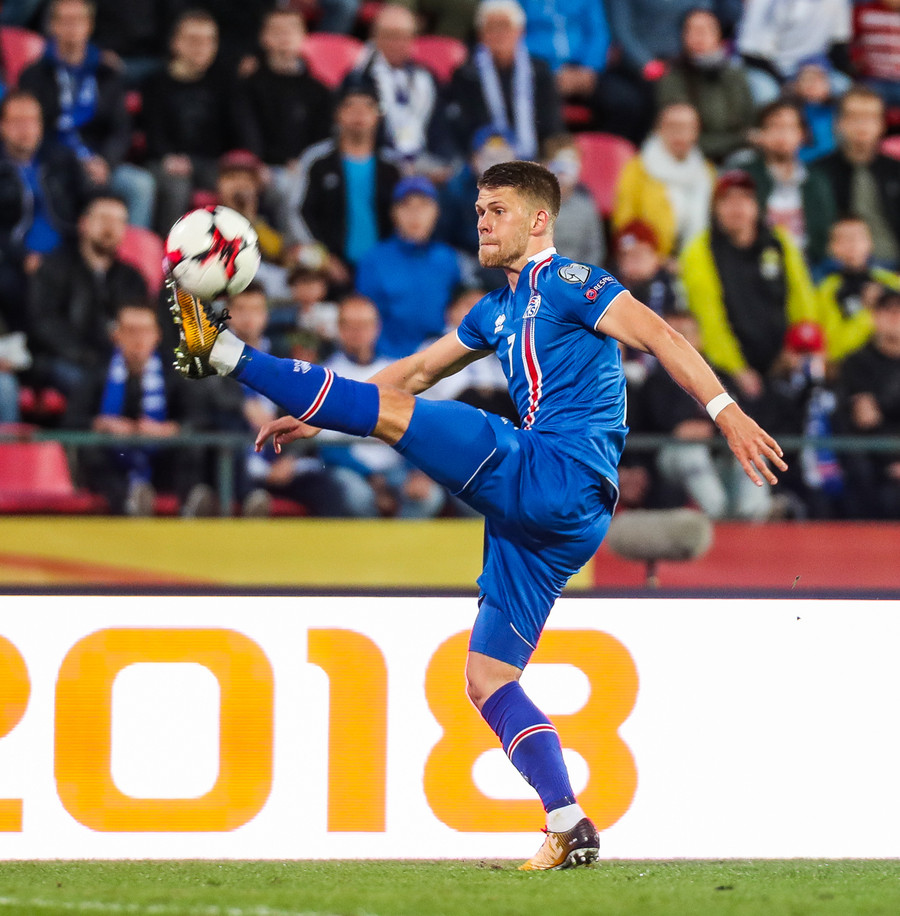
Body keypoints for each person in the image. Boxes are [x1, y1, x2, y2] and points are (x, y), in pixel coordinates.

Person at [168, 159, 785, 869]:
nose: (483, 223)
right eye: (480, 211)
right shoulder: (494, 310)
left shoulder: (573, 282)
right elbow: (414, 373)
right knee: (488, 678)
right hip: (555, 522)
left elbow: (662, 337)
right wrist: (321, 415)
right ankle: (568, 822)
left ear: (539, 219)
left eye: (498, 210)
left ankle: (222, 350)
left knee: (404, 421)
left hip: (554, 472)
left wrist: (727, 413)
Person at [679, 169, 819, 428]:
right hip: (730, 368)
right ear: (715, 208)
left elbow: (803, 299)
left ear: (757, 205)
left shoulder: (779, 242)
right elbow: (709, 319)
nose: (737, 208)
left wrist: (796, 348)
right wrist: (738, 370)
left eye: (744, 198)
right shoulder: (700, 251)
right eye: (727, 200)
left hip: (785, 359)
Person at [63, 301, 209, 516]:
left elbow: (198, 419)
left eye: (146, 331)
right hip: (113, 458)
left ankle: (190, 504)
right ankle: (128, 501)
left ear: (157, 335)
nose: (139, 339)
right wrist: (103, 424)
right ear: (116, 335)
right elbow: (72, 420)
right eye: (131, 331)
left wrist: (166, 430)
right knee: (92, 450)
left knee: (188, 448)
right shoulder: (96, 371)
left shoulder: (174, 373)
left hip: (159, 458)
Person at [18, 0, 155, 227]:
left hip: (101, 162)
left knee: (140, 184)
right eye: (65, 20)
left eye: (78, 20)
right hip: (54, 163)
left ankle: (130, 247)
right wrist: (73, 164)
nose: (72, 27)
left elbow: (121, 129)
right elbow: (35, 130)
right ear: (53, 26)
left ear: (89, 25)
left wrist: (106, 162)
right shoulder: (34, 76)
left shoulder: (107, 73)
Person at [27, 191, 147, 395]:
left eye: (118, 221)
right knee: (89, 383)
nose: (110, 228)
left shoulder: (132, 278)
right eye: (104, 218)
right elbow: (44, 324)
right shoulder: (54, 268)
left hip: (115, 362)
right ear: (84, 224)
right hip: (64, 359)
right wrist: (87, 356)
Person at [287, 82, 400, 287]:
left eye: (368, 106)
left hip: (383, 269)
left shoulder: (392, 168)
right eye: (350, 106)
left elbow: (402, 218)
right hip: (329, 272)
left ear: (378, 116)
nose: (359, 113)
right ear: (337, 114)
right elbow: (297, 211)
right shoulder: (317, 161)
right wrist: (323, 258)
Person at [0, 89, 88, 332]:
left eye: (32, 121)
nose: (26, 129)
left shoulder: (61, 159)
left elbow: (87, 201)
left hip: (67, 253)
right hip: (15, 260)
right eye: (17, 121)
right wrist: (22, 256)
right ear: (3, 126)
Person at [142, 9, 236, 235]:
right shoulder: (155, 83)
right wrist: (168, 157)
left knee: (238, 183)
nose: (201, 47)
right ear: (175, 43)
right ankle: (171, 249)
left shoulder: (225, 83)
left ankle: (236, 248)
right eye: (194, 40)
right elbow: (153, 134)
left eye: (208, 41)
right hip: (165, 162)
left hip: (210, 163)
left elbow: (235, 133)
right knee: (176, 185)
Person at [355, 175, 461, 359]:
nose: (415, 214)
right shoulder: (373, 260)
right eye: (406, 206)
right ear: (394, 213)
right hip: (388, 359)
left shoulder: (447, 258)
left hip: (440, 359)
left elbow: (456, 312)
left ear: (436, 211)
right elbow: (363, 317)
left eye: (423, 206)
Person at [443, 0, 562, 162]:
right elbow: (464, 128)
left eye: (505, 26)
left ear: (520, 31)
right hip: (486, 159)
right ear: (481, 33)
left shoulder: (540, 71)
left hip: (536, 159)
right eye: (492, 27)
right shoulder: (466, 75)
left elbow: (552, 125)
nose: (499, 33)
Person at [612, 102, 715, 260]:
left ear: (696, 132)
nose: (679, 133)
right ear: (658, 129)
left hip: (697, 259)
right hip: (650, 261)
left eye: (687, 127)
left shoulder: (707, 173)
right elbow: (624, 223)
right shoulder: (637, 169)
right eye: (672, 126)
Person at [740, 99, 836, 266]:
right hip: (757, 264)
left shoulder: (817, 180)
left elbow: (826, 232)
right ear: (760, 134)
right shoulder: (745, 177)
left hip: (810, 265)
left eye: (790, 127)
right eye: (775, 126)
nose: (782, 134)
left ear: (802, 134)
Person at [812, 85, 900, 269]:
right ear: (838, 123)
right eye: (854, 117)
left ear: (882, 124)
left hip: (892, 263)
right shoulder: (818, 172)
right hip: (835, 266)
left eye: (870, 117)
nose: (862, 124)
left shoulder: (895, 170)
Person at [347, 4, 441, 170]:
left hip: (424, 159)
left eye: (403, 37)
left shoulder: (426, 77)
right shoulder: (359, 79)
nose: (397, 43)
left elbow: (441, 126)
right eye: (390, 36)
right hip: (379, 163)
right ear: (375, 38)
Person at [656, 7, 756, 163]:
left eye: (707, 29)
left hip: (736, 156)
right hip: (691, 158)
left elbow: (749, 125)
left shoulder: (735, 75)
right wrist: (740, 140)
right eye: (693, 30)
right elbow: (680, 138)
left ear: (719, 35)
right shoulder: (673, 77)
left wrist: (745, 139)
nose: (700, 36)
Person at [836, 285, 900, 517]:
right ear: (875, 316)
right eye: (888, 310)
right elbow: (862, 420)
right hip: (873, 464)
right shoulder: (856, 363)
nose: (894, 318)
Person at [818, 216, 900, 364]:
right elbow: (833, 349)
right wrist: (868, 312)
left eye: (858, 237)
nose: (852, 244)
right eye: (844, 239)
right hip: (853, 369)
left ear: (870, 242)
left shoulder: (891, 282)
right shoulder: (827, 291)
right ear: (832, 247)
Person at [737, 0, 853, 105]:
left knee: (843, 86)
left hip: (815, 67)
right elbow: (751, 54)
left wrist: (816, 75)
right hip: (767, 68)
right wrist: (785, 84)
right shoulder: (764, 3)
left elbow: (838, 47)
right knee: (768, 94)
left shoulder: (837, 2)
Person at [541, 134, 605, 268]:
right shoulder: (532, 205)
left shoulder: (586, 207)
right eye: (559, 165)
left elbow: (595, 249)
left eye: (571, 166)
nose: (564, 174)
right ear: (546, 166)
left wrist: (581, 274)